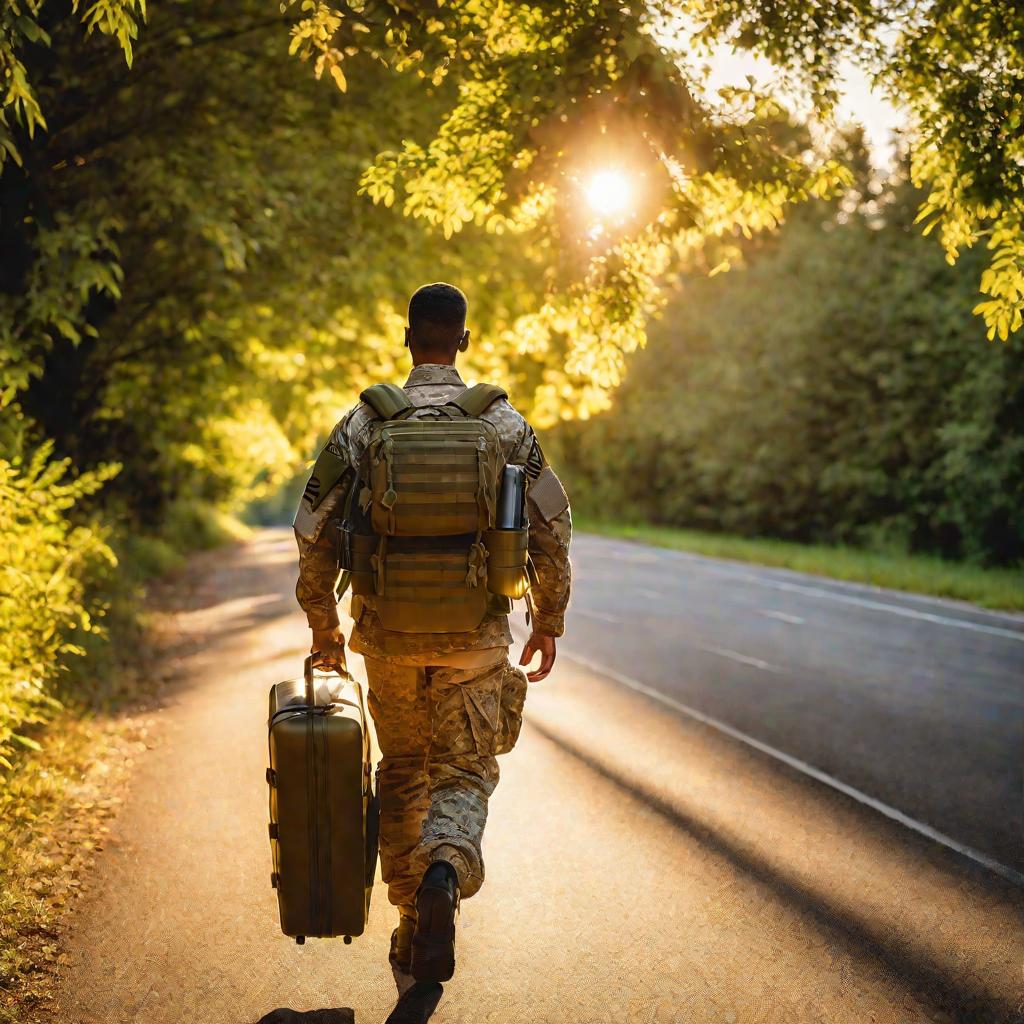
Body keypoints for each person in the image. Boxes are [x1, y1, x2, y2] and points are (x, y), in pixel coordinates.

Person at [293, 282, 572, 1022]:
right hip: (475, 637)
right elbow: (552, 524)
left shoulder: (364, 422)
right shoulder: (502, 422)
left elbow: (313, 527)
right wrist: (549, 617)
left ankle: (415, 925)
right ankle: (447, 867)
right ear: (464, 340)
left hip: (387, 634)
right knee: (463, 772)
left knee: (404, 773)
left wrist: (323, 625)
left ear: (408, 337)